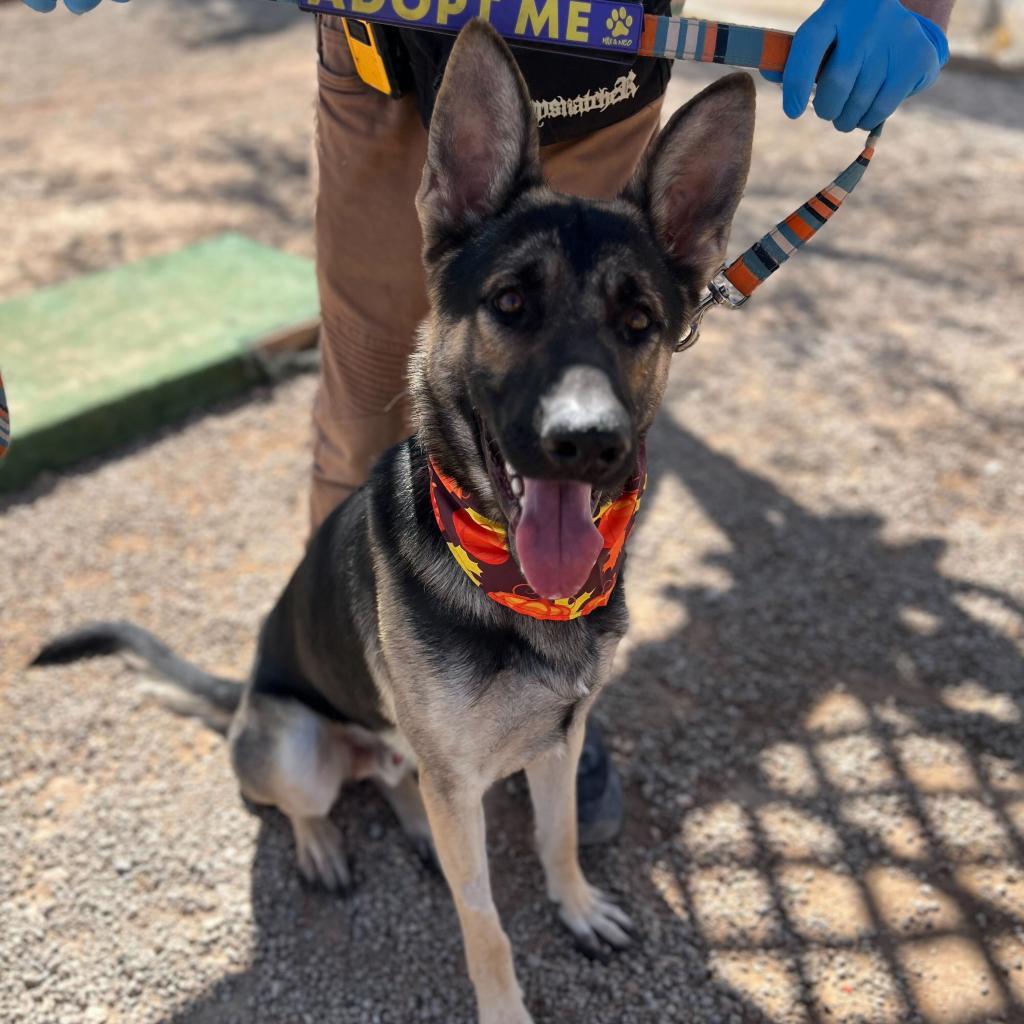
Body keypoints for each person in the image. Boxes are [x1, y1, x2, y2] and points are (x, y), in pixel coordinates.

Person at [23, 0, 955, 844]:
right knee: (368, 416)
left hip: (605, 67)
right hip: (387, 49)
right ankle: (382, 690)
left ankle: (549, 698)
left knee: (586, 433)